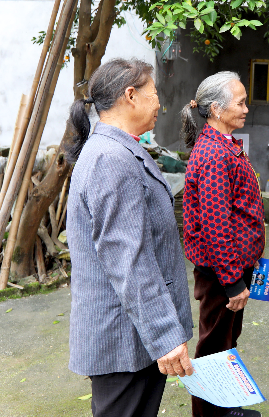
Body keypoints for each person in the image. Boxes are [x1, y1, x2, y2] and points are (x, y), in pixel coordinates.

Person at [66, 58, 194, 417]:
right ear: (131, 95)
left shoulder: (118, 150)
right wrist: (165, 336)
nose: (159, 104)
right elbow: (129, 260)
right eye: (154, 94)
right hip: (123, 339)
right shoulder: (111, 159)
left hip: (132, 334)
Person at [181, 71, 265, 417]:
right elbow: (216, 225)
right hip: (221, 273)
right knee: (214, 347)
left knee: (226, 342)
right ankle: (210, 414)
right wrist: (232, 282)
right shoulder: (215, 154)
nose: (246, 108)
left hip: (230, 268)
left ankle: (227, 408)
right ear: (216, 109)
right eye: (240, 103)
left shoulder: (224, 145)